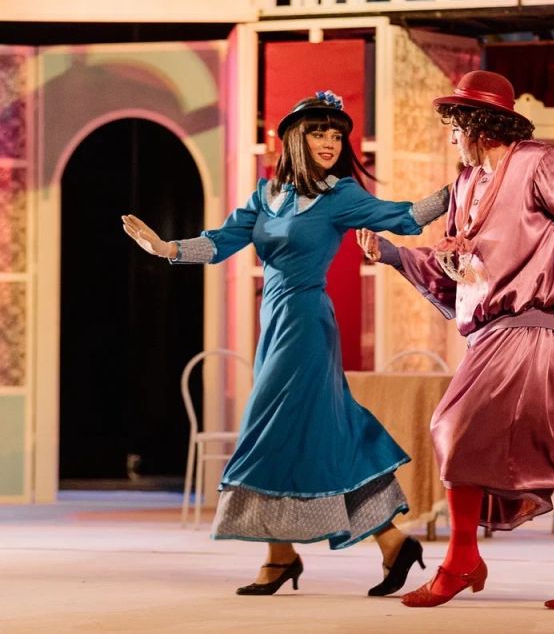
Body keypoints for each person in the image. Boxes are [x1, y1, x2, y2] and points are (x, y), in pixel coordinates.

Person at [357, 70, 554, 609]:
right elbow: (457, 270)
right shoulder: (466, 185)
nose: (451, 138)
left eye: (455, 126)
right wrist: (391, 254)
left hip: (535, 332)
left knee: (457, 427)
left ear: (479, 125)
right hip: (491, 337)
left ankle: (462, 561)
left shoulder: (540, 163)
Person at [121, 91, 450, 597]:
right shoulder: (265, 195)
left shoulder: (341, 195)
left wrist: (458, 189)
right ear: (295, 138)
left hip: (307, 325)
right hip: (274, 323)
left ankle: (280, 556)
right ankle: (388, 543)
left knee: (268, 428)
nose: (329, 142)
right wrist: (167, 248)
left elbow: (403, 216)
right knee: (329, 431)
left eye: (336, 135)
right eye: (319, 133)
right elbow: (221, 241)